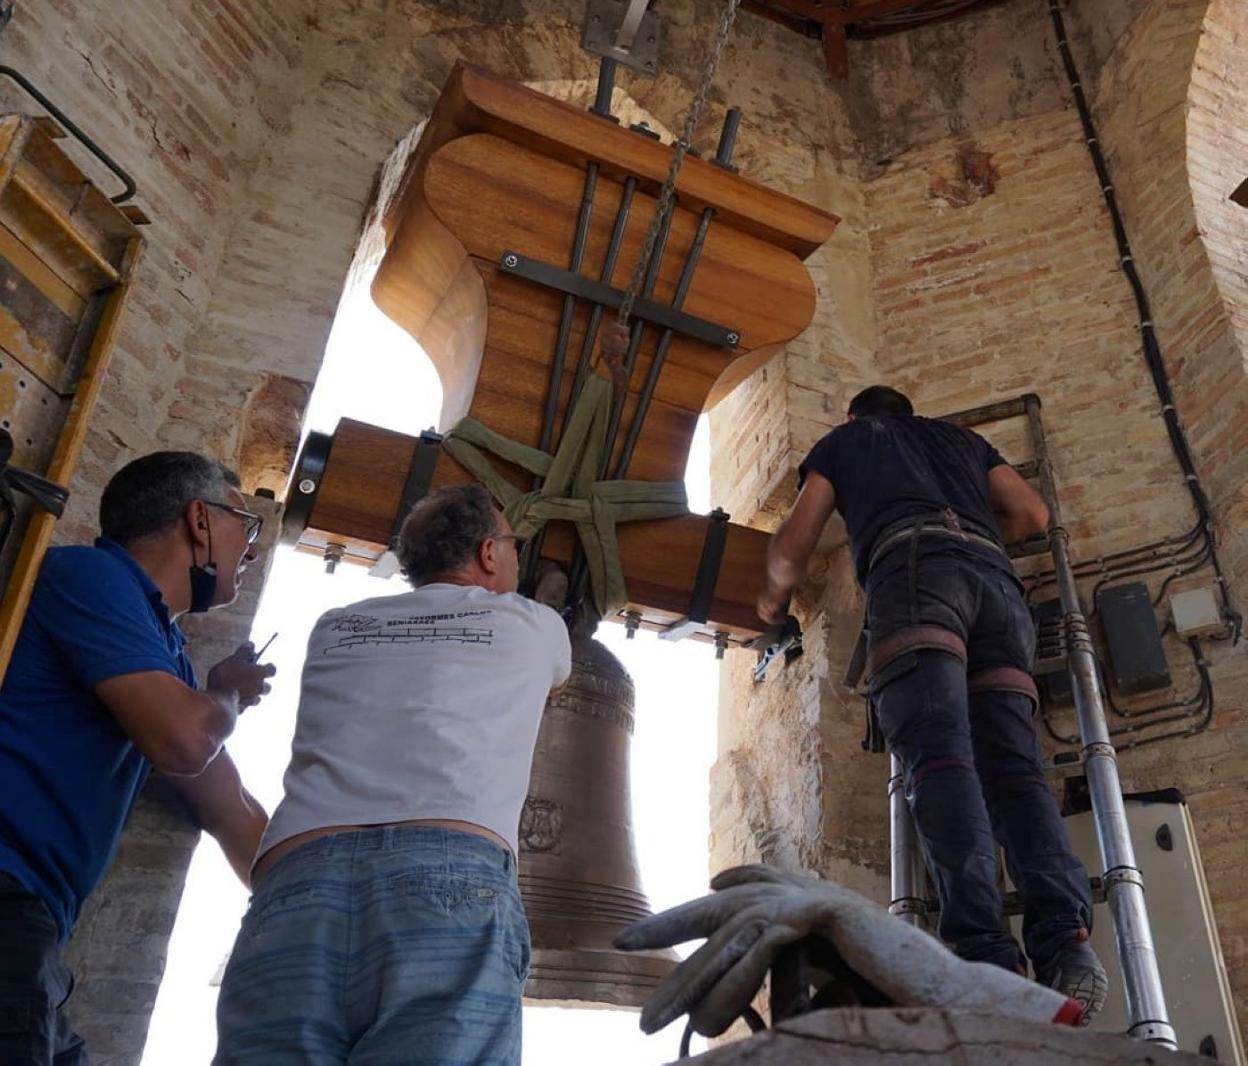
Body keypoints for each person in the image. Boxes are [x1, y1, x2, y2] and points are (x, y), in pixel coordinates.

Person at [755, 385, 1107, 1019]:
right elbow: (1031, 515)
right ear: (910, 412)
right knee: (1017, 774)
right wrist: (969, 530)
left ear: (856, 416)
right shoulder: (963, 441)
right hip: (999, 590)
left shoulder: (848, 442)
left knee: (943, 765)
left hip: (916, 579)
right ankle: (1066, 943)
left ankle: (987, 958)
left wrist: (771, 603)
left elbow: (791, 546)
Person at [214, 483, 572, 1065]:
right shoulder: (534, 625)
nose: (514, 557)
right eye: (512, 545)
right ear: (488, 553)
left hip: (297, 883)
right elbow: (556, 672)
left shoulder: (335, 626)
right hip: (449, 879)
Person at [0, 451, 277, 1065]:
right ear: (200, 520)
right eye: (246, 526)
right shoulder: (90, 577)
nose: (251, 550)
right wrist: (226, 691)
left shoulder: (167, 659)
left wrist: (326, 905)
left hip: (34, 927)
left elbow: (229, 808)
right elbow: (183, 740)